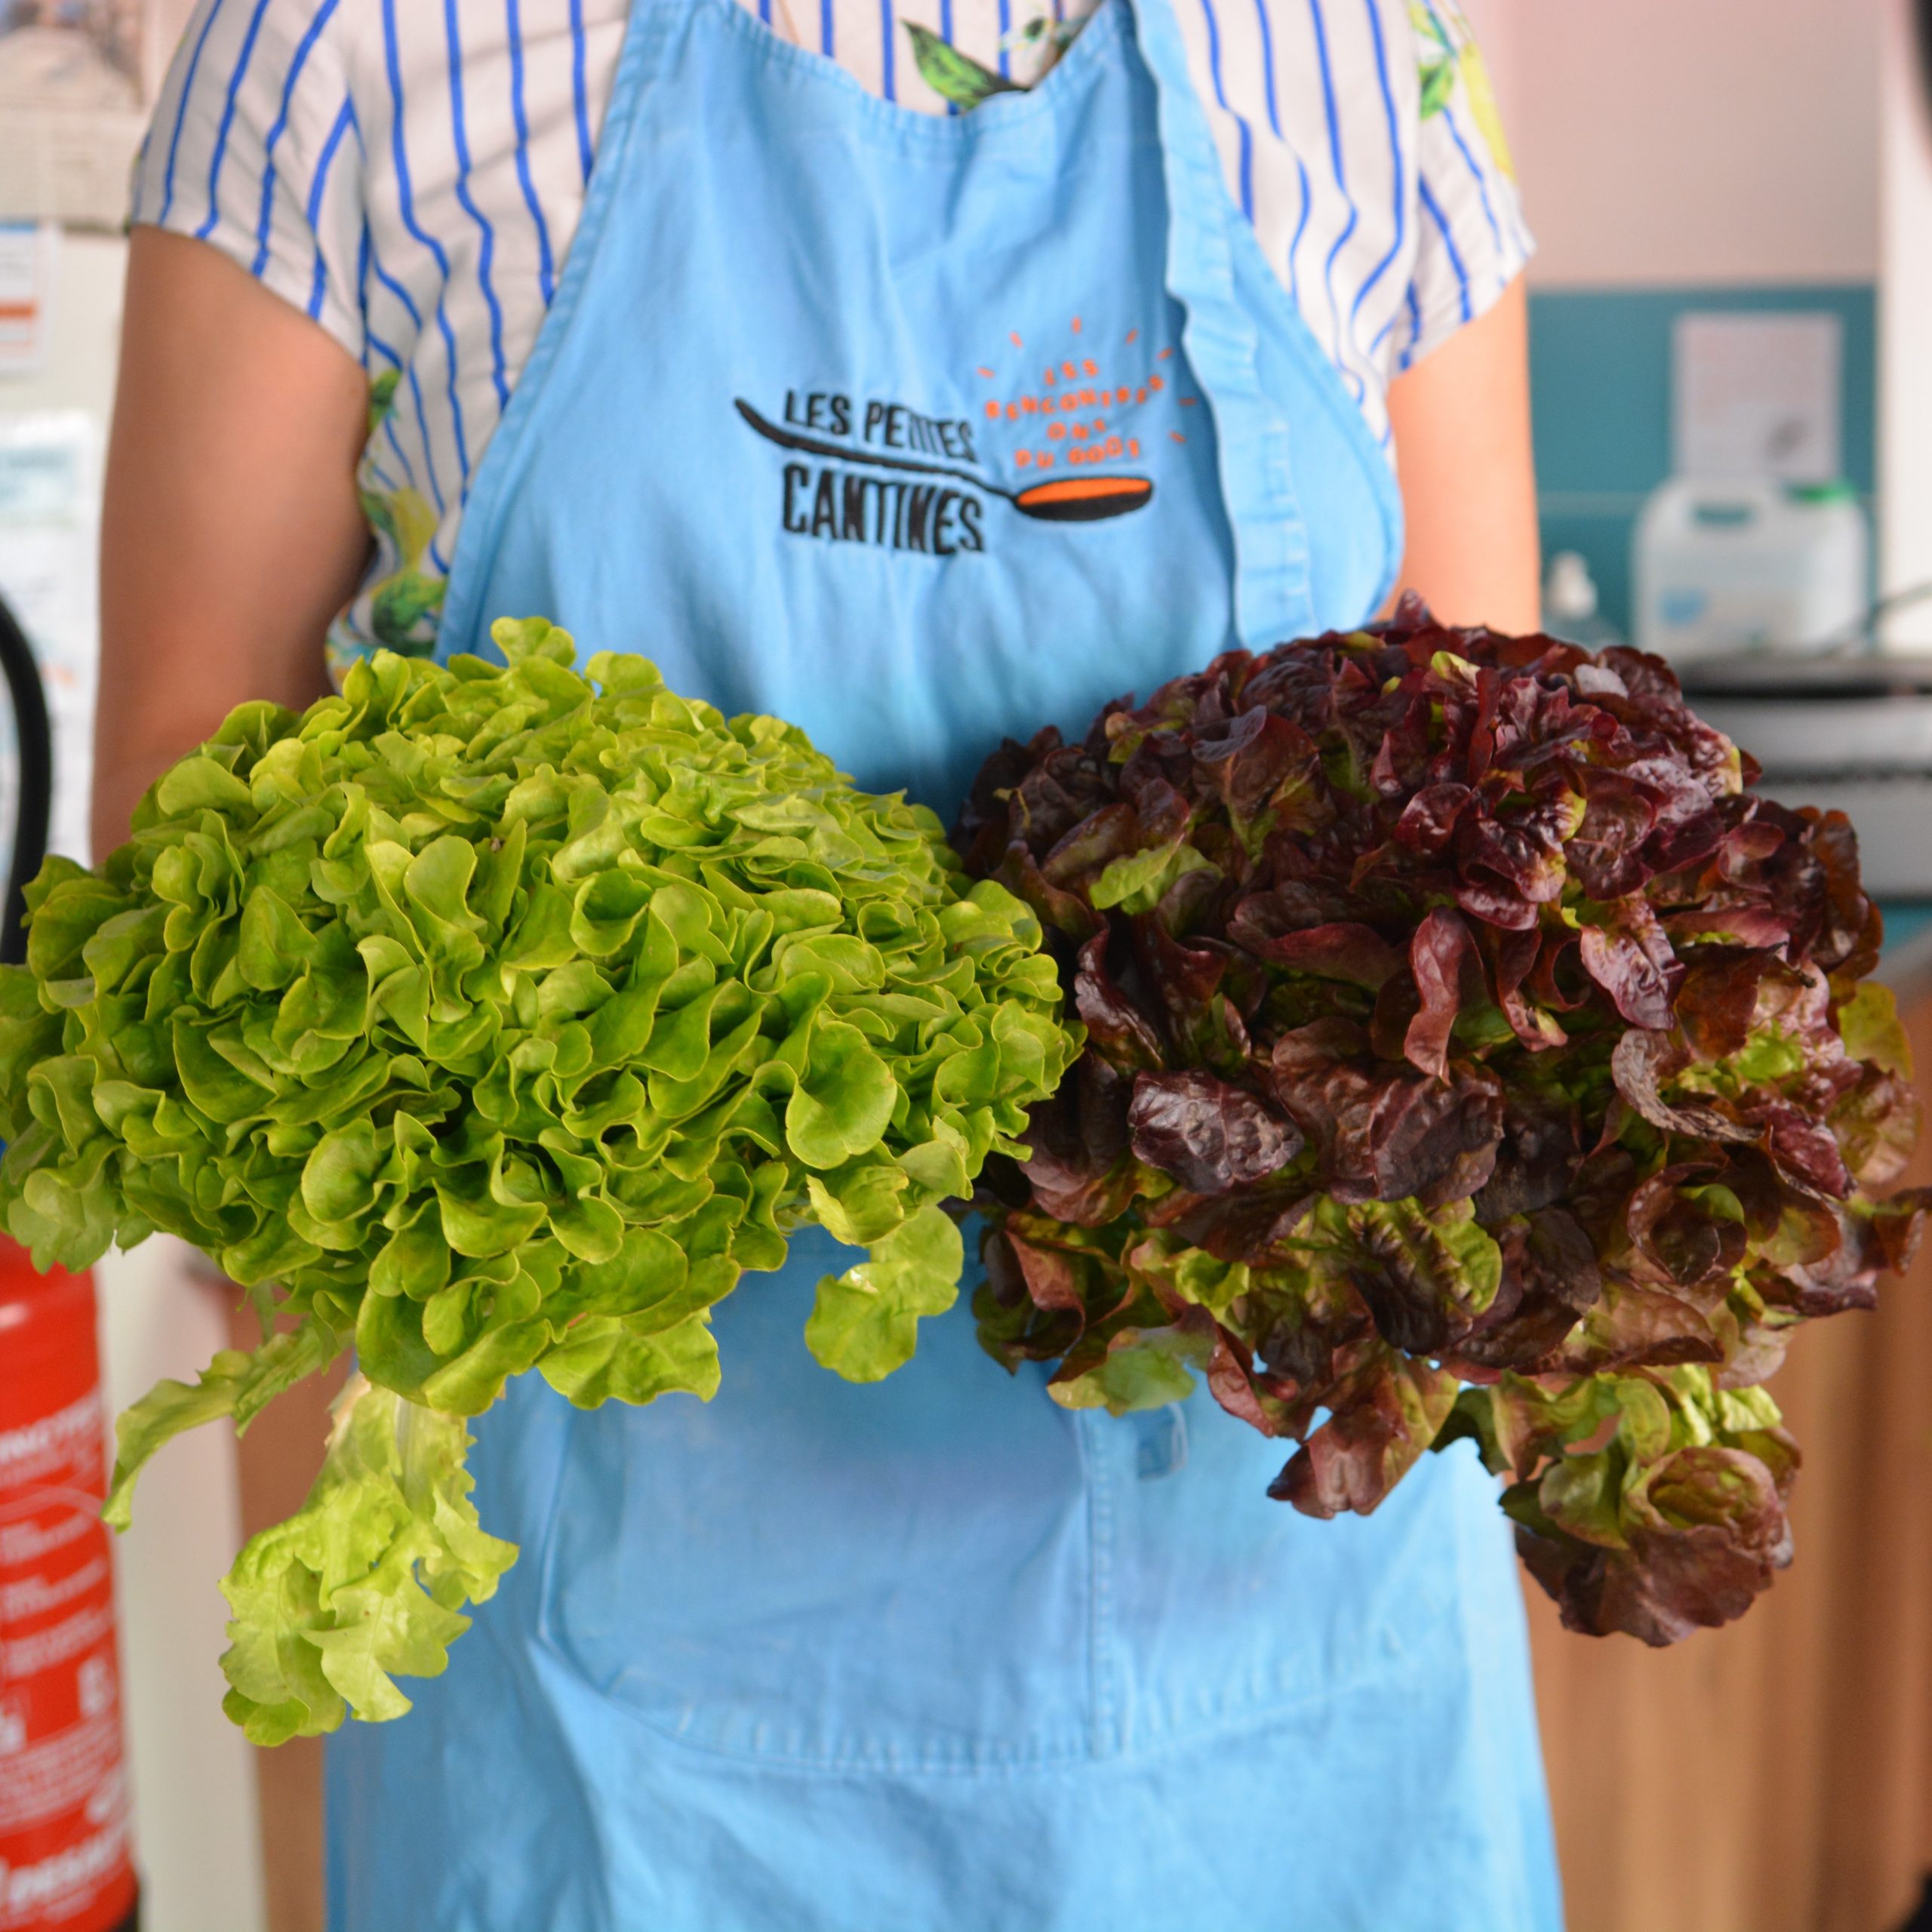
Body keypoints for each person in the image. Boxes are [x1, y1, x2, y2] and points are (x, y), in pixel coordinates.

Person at [100, 0, 1553, 1924]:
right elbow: (183, 877)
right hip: (625, 1741)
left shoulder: (1352, 50)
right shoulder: (346, 48)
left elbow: (1501, 830)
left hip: (1285, 1690)